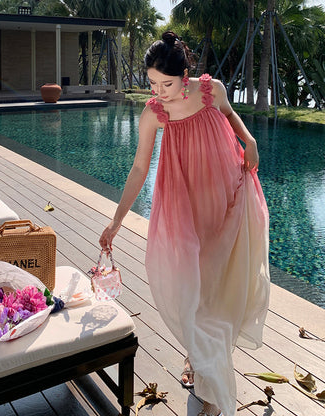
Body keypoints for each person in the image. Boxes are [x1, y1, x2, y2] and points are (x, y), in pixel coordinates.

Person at [99, 31, 270, 416]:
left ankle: (204, 365)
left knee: (218, 284)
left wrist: (250, 139)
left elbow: (229, 115)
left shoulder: (213, 91)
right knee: (191, 286)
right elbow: (140, 168)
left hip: (226, 195)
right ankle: (201, 360)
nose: (159, 91)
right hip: (186, 207)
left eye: (167, 83)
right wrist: (116, 222)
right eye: (153, 84)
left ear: (185, 74)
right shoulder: (154, 113)